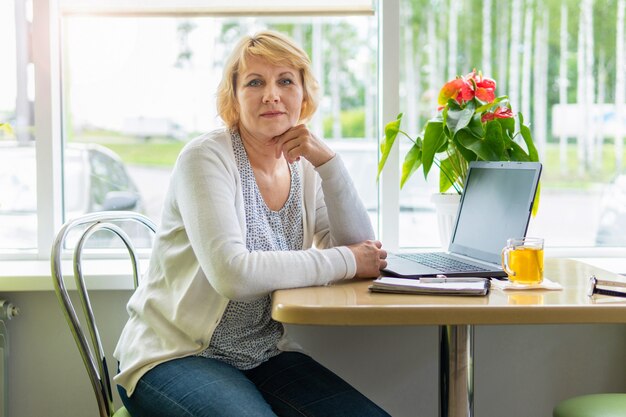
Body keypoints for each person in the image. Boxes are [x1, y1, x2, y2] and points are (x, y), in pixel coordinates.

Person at [114, 30, 389, 417]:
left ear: (304, 95)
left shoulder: (305, 165)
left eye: (286, 81)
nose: (271, 94)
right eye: (255, 82)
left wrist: (330, 165)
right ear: (234, 96)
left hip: (261, 354)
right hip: (174, 355)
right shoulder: (205, 158)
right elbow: (233, 274)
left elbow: (360, 251)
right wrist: (348, 259)